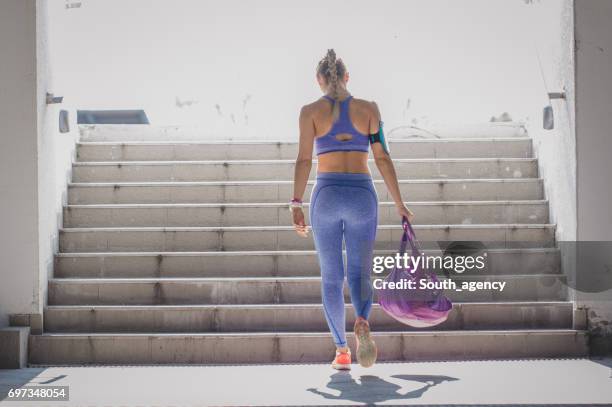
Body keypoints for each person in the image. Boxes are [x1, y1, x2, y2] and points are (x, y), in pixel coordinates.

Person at [290, 49, 414, 370]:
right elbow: (383, 157)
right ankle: (361, 319)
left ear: (319, 81)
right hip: (361, 193)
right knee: (360, 272)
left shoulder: (309, 112)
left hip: (327, 194)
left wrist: (296, 203)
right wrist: (400, 204)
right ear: (347, 77)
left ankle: (342, 350)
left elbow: (304, 160)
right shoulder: (369, 110)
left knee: (332, 277)